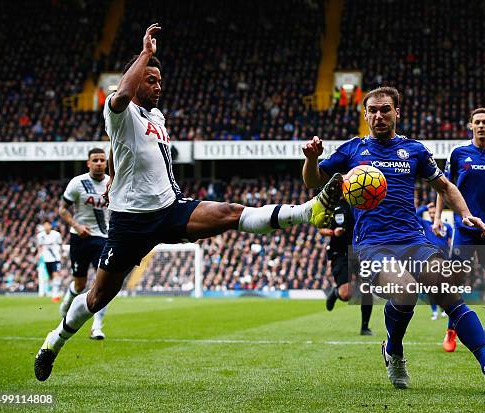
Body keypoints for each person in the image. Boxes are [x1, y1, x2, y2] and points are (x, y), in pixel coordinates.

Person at [34, 23, 343, 381]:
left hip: (169, 208)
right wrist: (146, 54)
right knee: (97, 297)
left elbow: (121, 155)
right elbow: (120, 100)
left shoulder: (156, 117)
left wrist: (114, 179)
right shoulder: (119, 110)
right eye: (151, 80)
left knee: (230, 213)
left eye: (159, 80)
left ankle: (310, 210)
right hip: (130, 223)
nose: (158, 86)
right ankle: (53, 342)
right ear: (135, 82)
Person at [303, 86, 485, 391]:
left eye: (385, 109)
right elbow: (312, 181)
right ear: (365, 114)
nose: (378, 116)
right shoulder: (352, 150)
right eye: (372, 110)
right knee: (404, 291)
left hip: (414, 241)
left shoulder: (413, 150)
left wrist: (465, 213)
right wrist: (311, 159)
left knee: (448, 287)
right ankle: (394, 350)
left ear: (396, 112)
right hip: (372, 245)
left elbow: (445, 186)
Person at [434, 107, 485, 354]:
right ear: (470, 126)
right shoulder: (459, 153)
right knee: (455, 280)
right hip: (465, 227)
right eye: (476, 122)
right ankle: (451, 330)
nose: (481, 126)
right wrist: (438, 217)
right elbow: (444, 186)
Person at [58, 147, 110, 340]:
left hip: (104, 239)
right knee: (79, 285)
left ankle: (97, 327)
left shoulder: (112, 183)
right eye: (95, 160)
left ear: (106, 163)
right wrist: (76, 226)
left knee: (103, 285)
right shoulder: (77, 183)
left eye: (102, 160)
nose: (98, 163)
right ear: (88, 163)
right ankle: (66, 303)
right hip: (80, 238)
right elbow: (62, 209)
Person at [321, 199, 373, 335]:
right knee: (346, 295)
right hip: (340, 253)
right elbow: (320, 229)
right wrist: (333, 233)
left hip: (360, 252)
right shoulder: (332, 205)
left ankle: (365, 327)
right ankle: (336, 293)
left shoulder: (364, 203)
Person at [415, 203, 452, 320]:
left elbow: (451, 242)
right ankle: (435, 311)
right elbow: (414, 215)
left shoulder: (447, 227)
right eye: (430, 213)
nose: (431, 215)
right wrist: (425, 207)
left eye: (434, 213)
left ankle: (443, 309)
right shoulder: (426, 224)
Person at [36, 221, 63, 302]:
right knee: (50, 277)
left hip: (55, 258)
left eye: (48, 225)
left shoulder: (56, 234)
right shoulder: (40, 236)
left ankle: (55, 294)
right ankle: (52, 292)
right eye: (45, 225)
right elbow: (39, 246)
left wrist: (61, 254)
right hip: (46, 259)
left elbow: (60, 244)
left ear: (50, 226)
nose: (46, 227)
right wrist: (38, 254)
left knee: (56, 274)